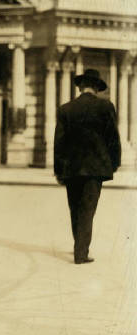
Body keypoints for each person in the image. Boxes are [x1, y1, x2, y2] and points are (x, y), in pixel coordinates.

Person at [54, 68, 121, 265]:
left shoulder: (65, 109)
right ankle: (81, 253)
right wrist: (114, 163)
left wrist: (59, 170)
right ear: (97, 88)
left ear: (81, 87)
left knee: (75, 207)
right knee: (88, 208)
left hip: (71, 168)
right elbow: (113, 139)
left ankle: (79, 246)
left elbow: (59, 143)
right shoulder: (106, 107)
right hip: (96, 167)